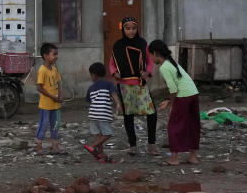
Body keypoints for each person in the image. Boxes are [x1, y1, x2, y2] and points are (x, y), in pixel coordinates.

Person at [109, 16, 158, 155]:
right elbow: (112, 63)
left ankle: (152, 144)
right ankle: (133, 145)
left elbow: (149, 61)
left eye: (133, 28)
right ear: (123, 29)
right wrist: (115, 73)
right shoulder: (117, 45)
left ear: (137, 29)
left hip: (140, 84)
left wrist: (147, 72)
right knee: (128, 115)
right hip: (124, 86)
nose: (131, 31)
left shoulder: (142, 43)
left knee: (152, 113)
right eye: (127, 28)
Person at [148, 39, 200, 166]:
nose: (150, 58)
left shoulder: (164, 67)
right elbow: (178, 84)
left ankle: (174, 158)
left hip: (183, 96)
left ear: (155, 53)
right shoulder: (171, 62)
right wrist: (167, 100)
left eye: (150, 55)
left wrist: (172, 105)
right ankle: (193, 157)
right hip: (193, 93)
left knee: (174, 126)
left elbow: (173, 88)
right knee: (192, 124)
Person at [84, 62, 121, 162]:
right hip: (103, 113)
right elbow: (114, 94)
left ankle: (101, 155)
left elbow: (89, 100)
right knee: (107, 134)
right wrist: (118, 104)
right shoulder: (108, 84)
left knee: (99, 135)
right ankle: (92, 146)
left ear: (94, 75)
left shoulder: (91, 88)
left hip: (92, 114)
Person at [35, 42, 64, 155]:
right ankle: (38, 145)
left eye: (57, 54)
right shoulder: (42, 70)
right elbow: (39, 88)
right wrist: (53, 97)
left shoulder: (54, 69)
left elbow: (59, 82)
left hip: (55, 105)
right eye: (54, 54)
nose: (56, 56)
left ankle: (55, 145)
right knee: (44, 124)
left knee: (55, 125)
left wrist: (60, 95)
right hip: (46, 105)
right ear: (46, 56)